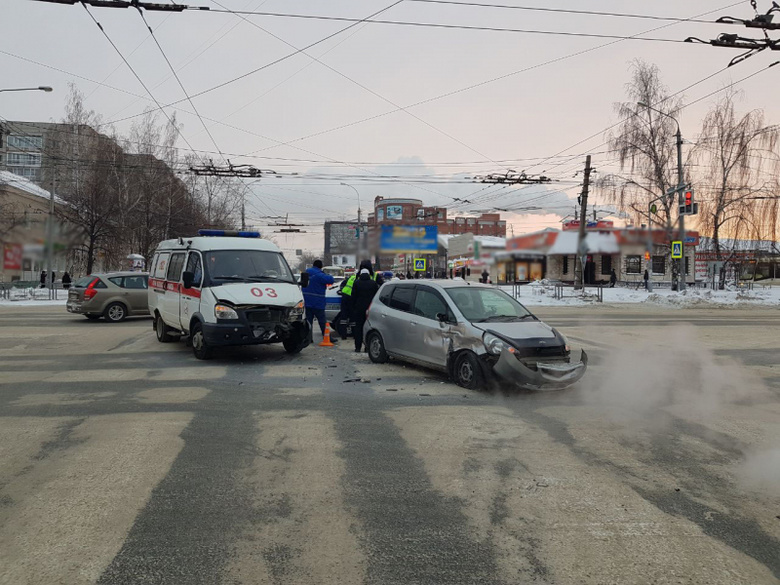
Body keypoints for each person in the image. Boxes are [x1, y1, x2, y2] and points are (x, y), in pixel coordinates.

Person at [302, 260, 336, 343]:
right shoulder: (320, 275)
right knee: (322, 321)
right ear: (320, 266)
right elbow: (331, 280)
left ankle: (308, 338)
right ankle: (327, 337)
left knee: (308, 322)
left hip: (307, 301)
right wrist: (326, 273)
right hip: (318, 302)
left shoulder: (306, 273)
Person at [350, 268, 380, 353]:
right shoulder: (373, 283)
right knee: (369, 328)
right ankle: (367, 348)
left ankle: (357, 347)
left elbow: (353, 297)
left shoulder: (356, 283)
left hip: (358, 309)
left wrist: (353, 308)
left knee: (358, 328)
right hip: (370, 309)